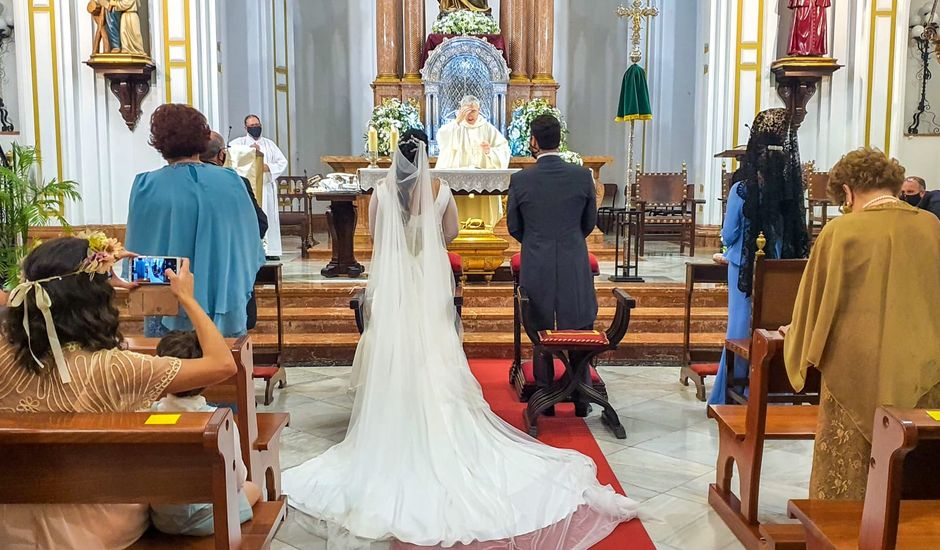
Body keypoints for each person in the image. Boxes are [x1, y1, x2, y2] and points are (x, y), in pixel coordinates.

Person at [281, 129, 639, 549]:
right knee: (435, 349)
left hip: (397, 289)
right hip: (429, 286)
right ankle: (440, 420)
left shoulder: (379, 192)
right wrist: (426, 241)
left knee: (394, 349)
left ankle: (393, 418)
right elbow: (449, 236)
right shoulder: (440, 189)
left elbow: (378, 238)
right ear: (427, 157)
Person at [0, 236, 237, 549]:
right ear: (98, 299)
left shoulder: (5, 355)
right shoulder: (116, 368)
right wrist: (187, 299)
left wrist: (93, 266)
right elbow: (222, 364)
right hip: (94, 531)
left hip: (10, 527)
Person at [784, 147, 940, 500]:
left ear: (849, 191)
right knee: (915, 464)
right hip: (925, 368)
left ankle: (844, 532)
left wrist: (795, 335)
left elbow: (814, 301)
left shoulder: (843, 230)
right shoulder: (932, 226)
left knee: (848, 474)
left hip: (853, 368)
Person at [126, 104, 265, 339]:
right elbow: (249, 245)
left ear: (159, 142)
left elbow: (139, 258)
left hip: (166, 306)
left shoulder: (145, 186)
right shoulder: (233, 183)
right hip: (224, 303)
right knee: (226, 372)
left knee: (169, 372)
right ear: (201, 138)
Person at [708, 108, 810, 406]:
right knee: (774, 323)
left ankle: (734, 391)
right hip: (782, 269)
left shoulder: (743, 189)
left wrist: (730, 249)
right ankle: (773, 390)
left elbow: (728, 235)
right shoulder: (793, 190)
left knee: (740, 328)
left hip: (744, 265)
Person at [507, 114, 598, 415]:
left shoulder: (520, 179)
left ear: (533, 141)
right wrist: (569, 240)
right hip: (574, 259)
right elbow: (589, 223)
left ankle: (545, 396)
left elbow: (513, 227)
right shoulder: (582, 176)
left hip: (536, 259)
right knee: (579, 323)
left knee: (539, 323)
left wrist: (536, 240)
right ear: (560, 139)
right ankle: (581, 397)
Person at [149, 331, 262, 536]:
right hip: (207, 518)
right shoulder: (218, 421)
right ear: (209, 378)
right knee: (253, 488)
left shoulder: (146, 415)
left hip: (162, 519)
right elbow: (236, 479)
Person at [201, 131, 268, 330]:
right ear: (222, 155)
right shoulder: (236, 182)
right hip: (230, 269)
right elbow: (260, 223)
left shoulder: (176, 183)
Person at [436, 95, 511, 230]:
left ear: (479, 109)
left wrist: (490, 151)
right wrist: (457, 122)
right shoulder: (454, 127)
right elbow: (441, 140)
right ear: (461, 110)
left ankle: (484, 233)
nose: (470, 115)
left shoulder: (487, 128)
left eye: (474, 111)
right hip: (458, 180)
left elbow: (504, 149)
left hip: (482, 182)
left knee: (482, 211)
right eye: (467, 111)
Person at [230, 115, 288, 260]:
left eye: (257, 124)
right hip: (246, 188)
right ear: (246, 128)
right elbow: (231, 160)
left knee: (268, 217)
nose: (255, 127)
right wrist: (248, 153)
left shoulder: (269, 144)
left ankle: (271, 251)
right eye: (252, 125)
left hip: (265, 186)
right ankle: (251, 249)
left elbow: (282, 162)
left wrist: (268, 167)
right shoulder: (237, 143)